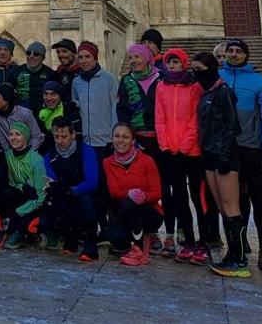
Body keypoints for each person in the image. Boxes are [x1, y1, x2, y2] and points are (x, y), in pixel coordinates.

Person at [219, 38, 262, 273]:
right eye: (229, 51)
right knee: (231, 200)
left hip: (251, 147)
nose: (233, 54)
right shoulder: (216, 78)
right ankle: (237, 244)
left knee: (258, 198)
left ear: (246, 55)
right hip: (225, 148)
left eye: (238, 51)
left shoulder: (260, 82)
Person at [191, 51, 248, 277]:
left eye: (200, 70)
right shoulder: (206, 93)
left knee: (231, 206)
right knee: (221, 206)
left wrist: (225, 155)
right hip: (210, 155)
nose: (196, 75)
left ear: (213, 69)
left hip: (225, 156)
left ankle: (240, 257)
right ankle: (231, 254)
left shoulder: (224, 92)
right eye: (193, 70)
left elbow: (233, 126)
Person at [155, 47, 209, 262]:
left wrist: (185, 146)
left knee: (198, 197)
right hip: (170, 151)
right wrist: (165, 145)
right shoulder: (161, 86)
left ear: (184, 63)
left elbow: (196, 120)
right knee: (179, 198)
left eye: (176, 62)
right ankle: (188, 240)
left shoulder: (196, 86)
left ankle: (204, 241)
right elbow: (160, 118)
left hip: (192, 151)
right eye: (169, 62)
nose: (172, 66)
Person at [102, 122, 163, 266]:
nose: (120, 140)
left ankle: (139, 249)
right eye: (116, 136)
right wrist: (129, 193)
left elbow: (157, 193)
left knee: (129, 202)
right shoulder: (107, 162)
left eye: (125, 137)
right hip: (125, 212)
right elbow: (114, 192)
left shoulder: (147, 161)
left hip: (149, 211)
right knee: (115, 237)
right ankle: (133, 240)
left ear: (133, 141)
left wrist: (144, 197)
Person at [44, 117, 101, 261]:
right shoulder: (49, 156)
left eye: (64, 136)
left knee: (87, 201)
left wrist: (73, 191)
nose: (59, 140)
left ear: (73, 135)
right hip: (63, 193)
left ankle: (90, 243)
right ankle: (70, 237)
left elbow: (92, 182)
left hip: (85, 192)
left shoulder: (86, 151)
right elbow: (52, 182)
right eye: (56, 136)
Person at [2, 120, 48, 248]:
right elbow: (11, 181)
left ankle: (24, 232)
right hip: (20, 195)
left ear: (26, 138)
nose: (13, 137)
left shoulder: (36, 160)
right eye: (11, 134)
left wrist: (20, 211)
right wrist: (22, 187)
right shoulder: (8, 156)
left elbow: (41, 194)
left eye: (18, 134)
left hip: (36, 201)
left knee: (23, 219)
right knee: (7, 193)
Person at [72, 41, 118, 158]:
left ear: (95, 58)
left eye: (87, 56)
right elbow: (76, 106)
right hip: (86, 141)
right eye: (80, 57)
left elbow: (115, 107)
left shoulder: (109, 79)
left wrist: (114, 135)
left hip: (106, 141)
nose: (83, 61)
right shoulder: (76, 82)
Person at [117, 43, 160, 154]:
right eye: (130, 57)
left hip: (161, 138)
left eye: (137, 56)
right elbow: (122, 110)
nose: (133, 60)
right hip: (137, 139)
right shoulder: (126, 80)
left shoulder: (161, 78)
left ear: (146, 58)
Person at [0, 83, 43, 152]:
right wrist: (10, 156)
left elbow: (37, 136)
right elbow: (0, 137)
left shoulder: (24, 113)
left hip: (29, 151)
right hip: (9, 152)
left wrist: (27, 154)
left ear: (7, 98)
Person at [38, 80, 82, 146]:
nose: (49, 98)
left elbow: (78, 135)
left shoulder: (70, 109)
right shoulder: (40, 111)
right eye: (46, 94)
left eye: (53, 94)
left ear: (60, 96)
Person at [15, 42, 52, 114]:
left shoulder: (50, 74)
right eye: (28, 53)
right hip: (21, 115)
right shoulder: (16, 72)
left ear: (43, 58)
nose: (31, 56)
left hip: (43, 116)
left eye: (36, 54)